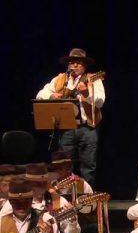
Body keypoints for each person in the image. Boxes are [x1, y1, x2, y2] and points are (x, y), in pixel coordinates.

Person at [36, 48, 105, 186]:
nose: (74, 65)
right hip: (66, 128)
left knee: (88, 166)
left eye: (78, 63)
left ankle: (87, 200)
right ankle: (65, 196)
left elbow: (100, 101)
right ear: (68, 65)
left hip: (88, 128)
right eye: (72, 62)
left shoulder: (93, 79)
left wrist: (86, 94)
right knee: (64, 166)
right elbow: (40, 94)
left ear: (84, 65)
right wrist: (51, 95)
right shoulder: (60, 79)